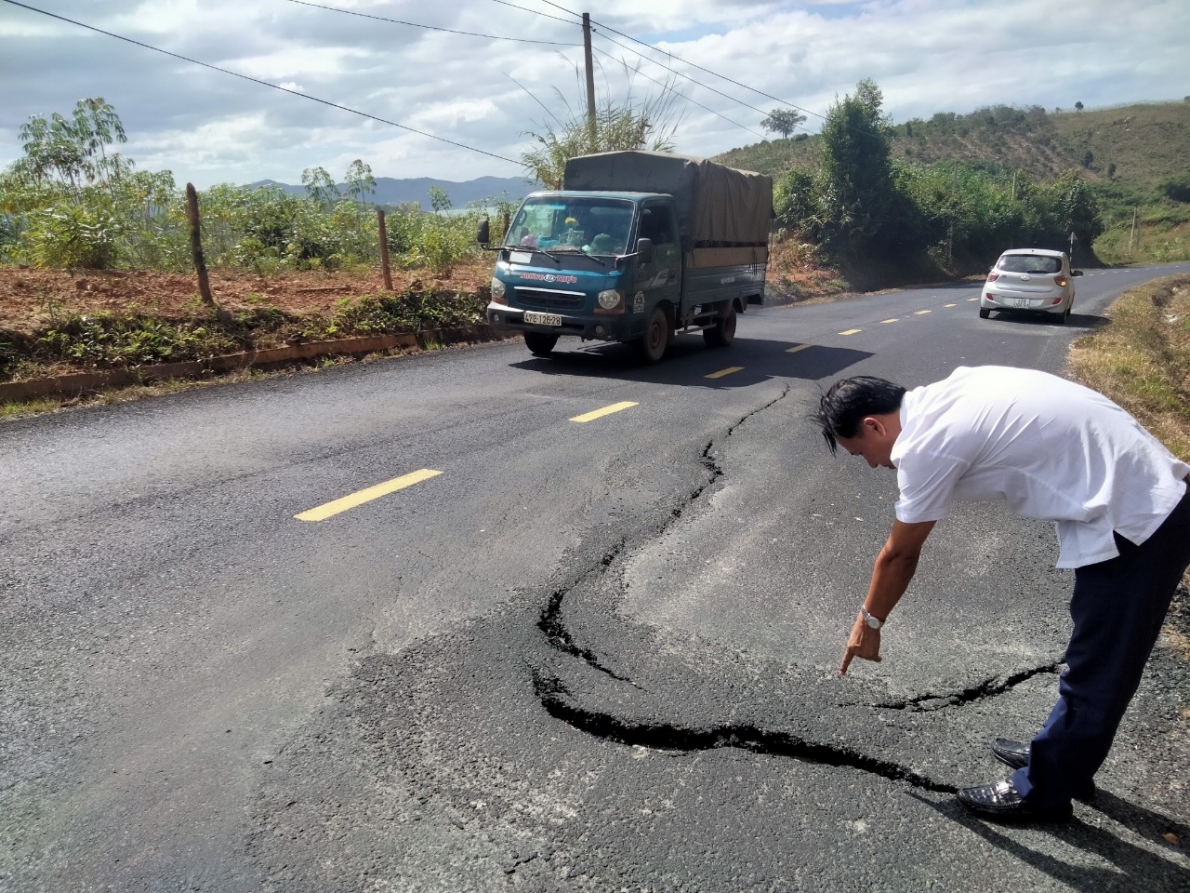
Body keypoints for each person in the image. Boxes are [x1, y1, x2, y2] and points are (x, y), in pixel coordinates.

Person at [814, 365, 1190, 823]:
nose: (874, 464)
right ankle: (1062, 758)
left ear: (874, 425)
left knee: (1099, 665)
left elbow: (900, 555)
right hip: (1140, 493)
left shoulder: (925, 442)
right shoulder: (951, 390)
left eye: (862, 453)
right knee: (1096, 655)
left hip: (1138, 517)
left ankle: (1043, 792)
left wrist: (868, 623)